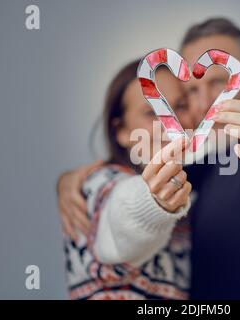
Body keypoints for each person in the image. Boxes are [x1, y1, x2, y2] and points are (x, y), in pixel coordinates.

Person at [57, 18, 240, 299]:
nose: (205, 101)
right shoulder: (198, 163)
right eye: (192, 91)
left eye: (219, 82)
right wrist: (71, 181)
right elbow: (126, 207)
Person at [61, 60, 194, 299]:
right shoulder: (100, 184)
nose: (171, 123)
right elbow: (121, 214)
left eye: (180, 106)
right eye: (151, 112)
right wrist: (156, 201)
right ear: (121, 131)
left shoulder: (192, 190)